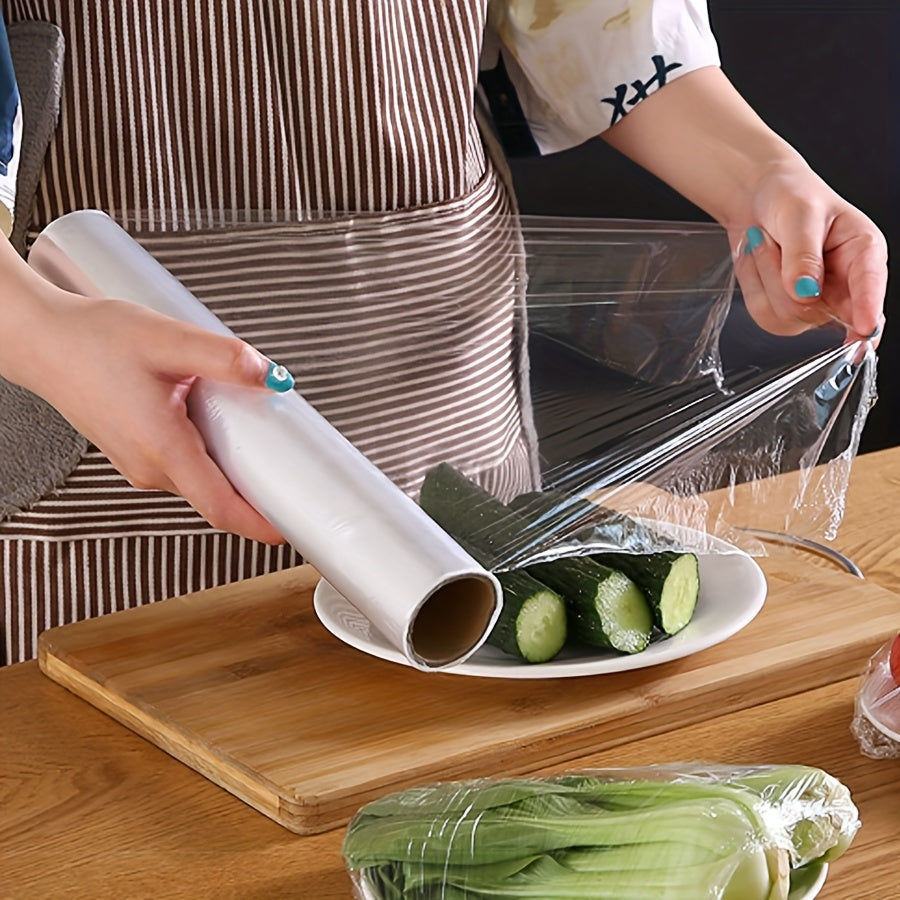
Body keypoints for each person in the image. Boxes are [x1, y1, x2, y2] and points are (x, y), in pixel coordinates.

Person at [0, 1, 887, 664]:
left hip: (449, 398)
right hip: (93, 444)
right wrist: (44, 333)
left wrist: (758, 176)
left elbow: (591, 19)